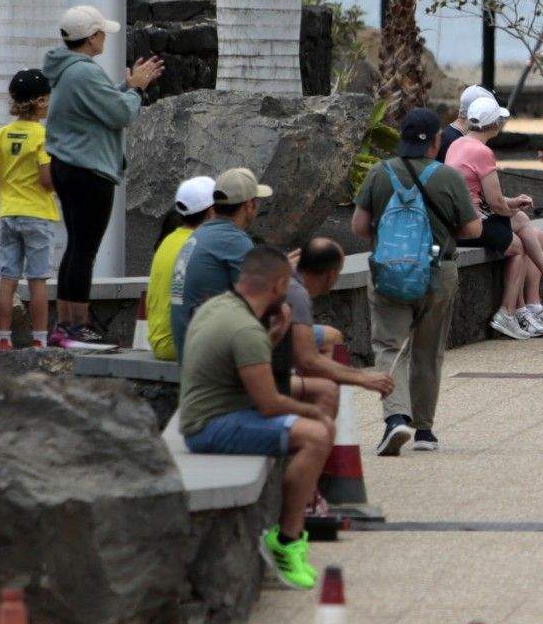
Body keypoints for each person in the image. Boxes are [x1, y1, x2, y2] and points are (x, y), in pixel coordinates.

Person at [175, 244, 333, 591]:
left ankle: (291, 527)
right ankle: (288, 539)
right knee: (317, 434)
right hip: (211, 426)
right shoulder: (245, 329)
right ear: (279, 286)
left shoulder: (220, 306)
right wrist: (316, 413)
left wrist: (274, 336)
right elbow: (269, 404)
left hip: (209, 414)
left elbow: (247, 367)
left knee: (310, 426)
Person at [352, 107, 480, 454]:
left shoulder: (379, 173)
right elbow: (472, 229)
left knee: (389, 346)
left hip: (388, 273)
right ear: (436, 141)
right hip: (438, 272)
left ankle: (396, 418)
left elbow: (358, 227)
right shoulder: (448, 177)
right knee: (428, 352)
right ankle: (424, 431)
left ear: (402, 138)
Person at [42, 4, 165, 349]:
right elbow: (120, 114)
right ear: (91, 38)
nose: (104, 40)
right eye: (101, 34)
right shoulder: (84, 72)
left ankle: (65, 323)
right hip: (88, 169)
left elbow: (99, 104)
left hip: (67, 165)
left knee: (76, 247)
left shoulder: (67, 69)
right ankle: (77, 326)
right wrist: (136, 89)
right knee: (85, 250)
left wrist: (126, 85)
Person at [448, 93, 543, 340]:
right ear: (493, 124)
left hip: (459, 218)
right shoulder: (482, 152)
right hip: (469, 224)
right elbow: (495, 203)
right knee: (517, 246)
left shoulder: (458, 144)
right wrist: (510, 208)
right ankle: (508, 311)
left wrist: (512, 205)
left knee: (525, 225)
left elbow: (481, 195)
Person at [272, 236, 394, 432]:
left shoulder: (285, 276)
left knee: (328, 342)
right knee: (326, 392)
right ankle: (313, 437)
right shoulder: (297, 294)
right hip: (253, 380)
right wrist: (364, 378)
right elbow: (308, 360)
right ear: (331, 275)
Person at [0, 68, 60, 351]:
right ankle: (39, 339)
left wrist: (13, 179)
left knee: (8, 278)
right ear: (39, 101)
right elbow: (46, 179)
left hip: (9, 213)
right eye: (47, 99)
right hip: (38, 214)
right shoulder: (44, 135)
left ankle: (3, 339)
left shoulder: (2, 134)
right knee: (38, 280)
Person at [169, 168, 271, 357]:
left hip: (189, 353)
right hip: (210, 360)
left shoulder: (200, 234)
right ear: (249, 205)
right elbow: (259, 300)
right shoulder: (234, 240)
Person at [144, 176, 215, 362]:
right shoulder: (200, 244)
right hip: (179, 344)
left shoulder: (168, 240)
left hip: (160, 342)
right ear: (211, 212)